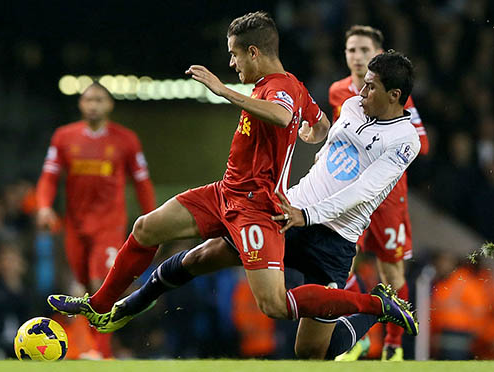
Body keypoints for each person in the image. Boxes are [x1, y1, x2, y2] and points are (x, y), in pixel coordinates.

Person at [64, 50, 421, 360]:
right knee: (202, 256)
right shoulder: (354, 106)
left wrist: (309, 213)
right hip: (286, 213)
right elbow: (326, 139)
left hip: (334, 236)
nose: (362, 90)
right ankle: (130, 304)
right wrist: (309, 154)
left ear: (394, 95)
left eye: (371, 86)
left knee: (312, 352)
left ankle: (376, 308)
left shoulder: (405, 140)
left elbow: (364, 189)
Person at [48, 10, 332, 334]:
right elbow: (320, 121)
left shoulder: (280, 86)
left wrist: (223, 91)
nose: (231, 64)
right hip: (224, 192)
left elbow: (281, 116)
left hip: (256, 207)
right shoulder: (289, 86)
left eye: (234, 55)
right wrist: (315, 131)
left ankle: (373, 306)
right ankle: (98, 305)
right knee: (146, 228)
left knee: (273, 305)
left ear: (253, 52)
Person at [329, 25, 429, 361]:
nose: (356, 57)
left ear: (378, 55)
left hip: (387, 197)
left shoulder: (396, 94)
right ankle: (357, 336)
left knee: (391, 272)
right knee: (341, 266)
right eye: (351, 50)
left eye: (364, 50)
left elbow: (421, 144)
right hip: (351, 194)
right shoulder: (337, 92)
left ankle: (393, 345)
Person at [35, 82, 156, 358]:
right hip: (75, 227)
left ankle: (100, 352)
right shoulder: (64, 137)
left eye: (100, 100)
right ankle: (87, 347)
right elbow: (49, 176)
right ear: (80, 104)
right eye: (89, 100)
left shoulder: (126, 140)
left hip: (108, 225)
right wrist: (43, 206)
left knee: (99, 281)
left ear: (110, 105)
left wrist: (151, 218)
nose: (94, 105)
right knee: (80, 290)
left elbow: (142, 182)